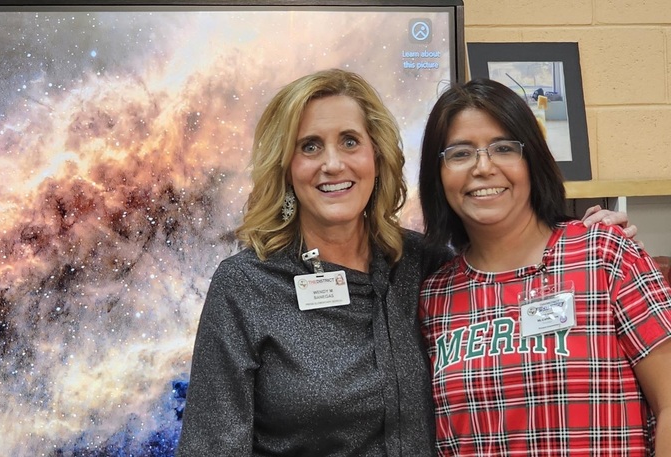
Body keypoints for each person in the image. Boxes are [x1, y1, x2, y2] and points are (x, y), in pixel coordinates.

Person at [176, 69, 634, 457]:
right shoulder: (246, 286)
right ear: (285, 166)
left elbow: (508, 277)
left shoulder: (426, 265)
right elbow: (210, 446)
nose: (332, 164)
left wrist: (581, 238)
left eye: (350, 141)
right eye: (309, 146)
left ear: (376, 156)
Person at [417, 78, 671, 456]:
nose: (483, 167)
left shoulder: (604, 255)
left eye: (504, 148)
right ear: (437, 174)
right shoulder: (434, 297)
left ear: (532, 160)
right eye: (460, 153)